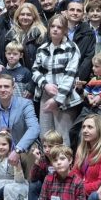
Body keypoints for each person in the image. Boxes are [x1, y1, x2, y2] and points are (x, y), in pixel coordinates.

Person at [31, 13, 83, 145]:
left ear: (65, 30)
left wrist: (57, 99)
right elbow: (35, 70)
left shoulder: (71, 47)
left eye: (59, 27)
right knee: (46, 136)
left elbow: (70, 75)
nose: (55, 29)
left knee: (63, 138)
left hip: (65, 97)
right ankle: (47, 160)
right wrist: (45, 85)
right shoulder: (42, 49)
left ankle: (64, 160)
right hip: (45, 94)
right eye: (52, 26)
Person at [20, 129, 64, 200]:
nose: (47, 149)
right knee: (34, 183)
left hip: (60, 189)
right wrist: (37, 161)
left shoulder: (63, 158)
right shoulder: (43, 158)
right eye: (45, 146)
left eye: (50, 146)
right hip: (46, 188)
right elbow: (33, 177)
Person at [73, 114, 101, 199]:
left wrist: (78, 188)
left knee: (93, 197)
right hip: (80, 190)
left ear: (100, 130)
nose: (85, 130)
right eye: (83, 127)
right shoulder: (81, 149)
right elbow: (75, 172)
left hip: (97, 193)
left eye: (90, 127)